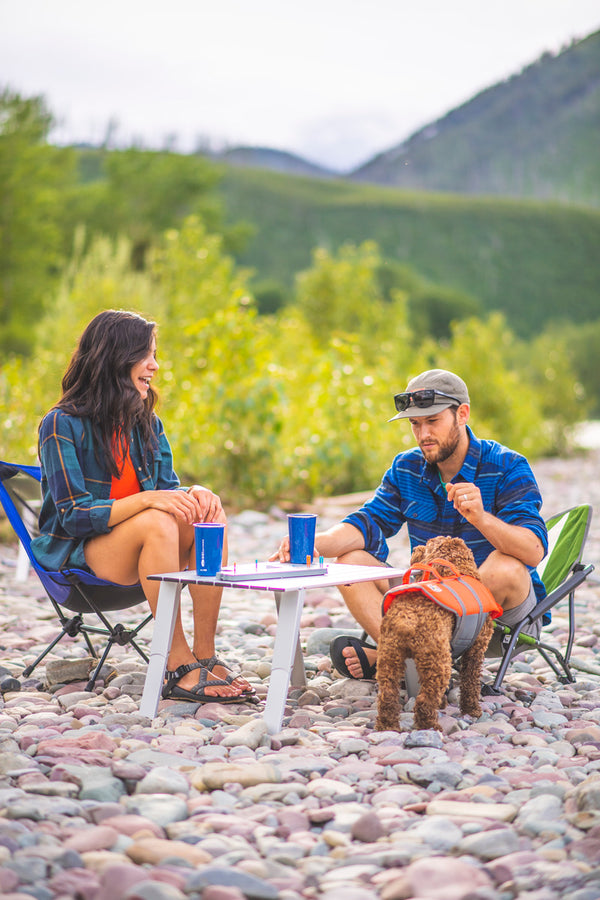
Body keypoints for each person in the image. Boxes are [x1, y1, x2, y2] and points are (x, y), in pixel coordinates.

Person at [31, 309, 254, 703]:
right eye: (146, 355)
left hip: (147, 553)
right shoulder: (60, 424)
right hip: (81, 561)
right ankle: (177, 661)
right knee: (157, 522)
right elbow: (75, 516)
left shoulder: (146, 423)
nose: (155, 365)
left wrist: (196, 492)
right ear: (114, 358)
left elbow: (167, 491)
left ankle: (205, 653)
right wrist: (149, 500)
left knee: (205, 515)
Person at [271, 368, 548, 680]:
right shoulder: (406, 466)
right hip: (426, 600)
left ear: (462, 414)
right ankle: (410, 659)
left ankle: (399, 656)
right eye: (415, 424)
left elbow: (533, 551)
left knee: (506, 567)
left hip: (496, 618)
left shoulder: (508, 465)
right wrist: (312, 544)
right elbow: (366, 523)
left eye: (432, 421)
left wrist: (481, 519)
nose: (423, 434)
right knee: (350, 562)